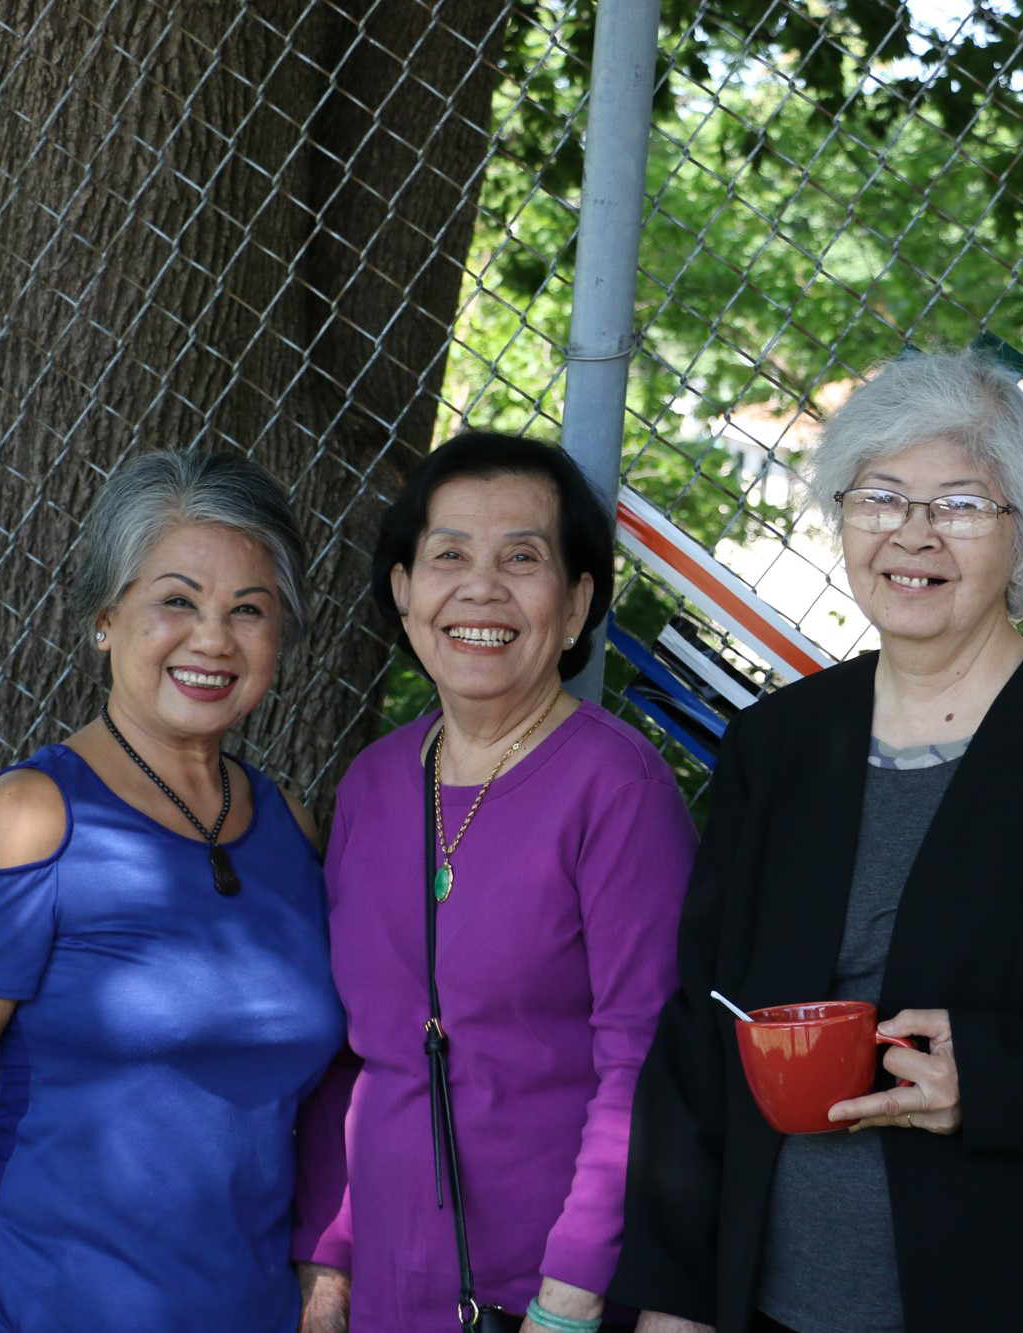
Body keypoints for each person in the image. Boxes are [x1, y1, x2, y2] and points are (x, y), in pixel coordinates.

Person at [609, 349, 1023, 1332]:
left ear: (1021, 537)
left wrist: (998, 1072)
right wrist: (673, 1297)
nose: (911, 533)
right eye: (878, 496)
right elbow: (705, 1021)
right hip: (770, 1301)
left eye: (960, 504)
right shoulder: (783, 742)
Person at [0, 451, 344, 1333]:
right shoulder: (29, 819)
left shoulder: (293, 829)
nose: (213, 638)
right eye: (177, 600)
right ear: (104, 617)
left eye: (249, 610)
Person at [294, 431, 698, 1332]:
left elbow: (643, 1064)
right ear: (404, 592)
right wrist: (327, 1264)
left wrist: (572, 1294)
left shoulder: (620, 790)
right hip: (386, 1286)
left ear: (577, 600)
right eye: (448, 556)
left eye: (523, 557)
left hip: (545, 1295)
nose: (482, 587)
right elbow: (349, 1053)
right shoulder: (372, 783)